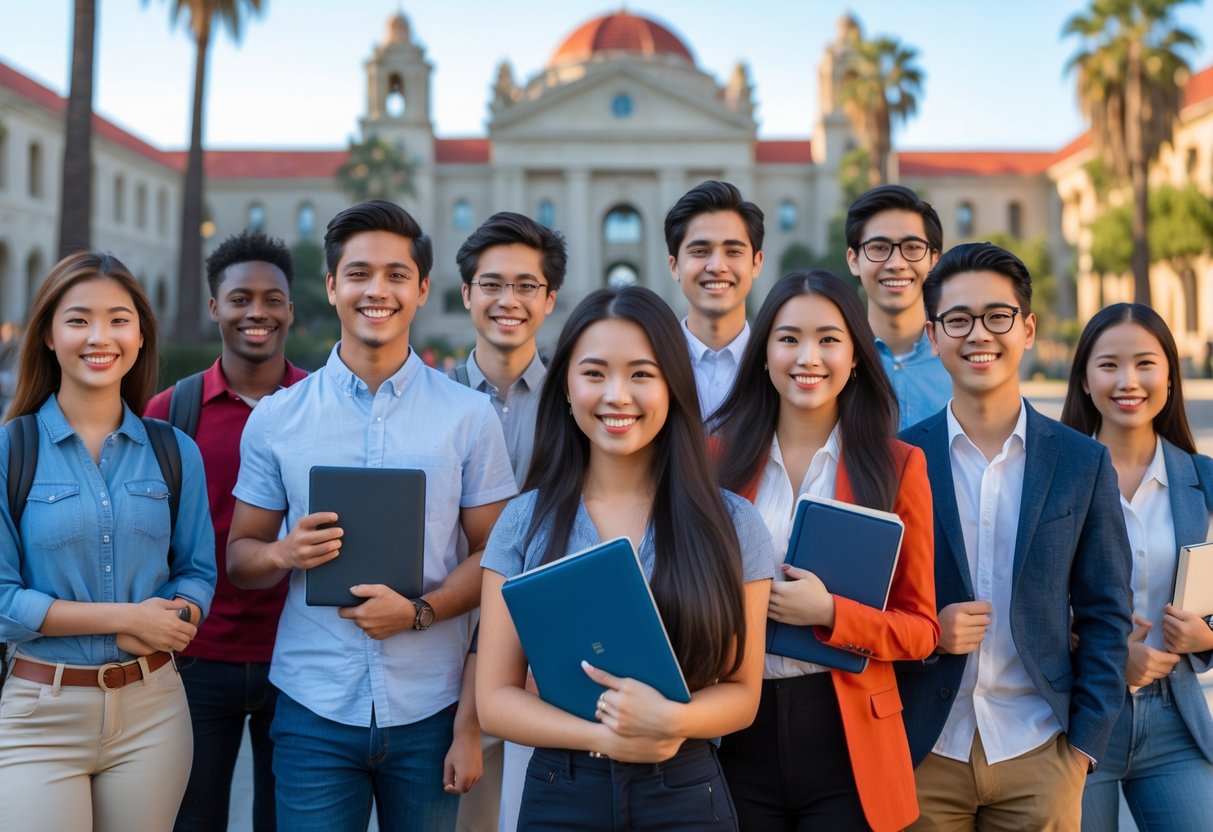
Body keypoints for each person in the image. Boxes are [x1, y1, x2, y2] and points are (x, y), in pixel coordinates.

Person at [226, 200, 517, 832]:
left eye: (394, 274)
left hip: (429, 709)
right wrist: (282, 554)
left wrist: (420, 612)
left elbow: (496, 562)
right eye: (358, 273)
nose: (376, 290)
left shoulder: (467, 417)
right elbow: (242, 558)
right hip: (312, 709)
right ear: (332, 287)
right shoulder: (277, 418)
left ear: (420, 289)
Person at [476, 285, 774, 831]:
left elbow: (742, 693)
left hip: (685, 790)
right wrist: (603, 735)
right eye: (594, 373)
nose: (617, 395)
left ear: (673, 387)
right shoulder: (524, 522)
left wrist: (671, 720)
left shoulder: (732, 523)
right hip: (561, 791)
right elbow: (494, 698)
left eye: (641, 374)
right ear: (565, 387)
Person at [896, 242, 1132, 831]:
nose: (979, 334)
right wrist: (929, 635)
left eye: (998, 316)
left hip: (1040, 749)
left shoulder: (1083, 462)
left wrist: (1082, 750)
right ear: (933, 336)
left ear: (1026, 329)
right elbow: (872, 604)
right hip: (923, 749)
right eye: (958, 319)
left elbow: (1107, 612)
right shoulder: (895, 458)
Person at [711, 270, 940, 831]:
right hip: (731, 732)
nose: (807, 356)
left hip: (846, 737)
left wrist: (831, 615)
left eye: (829, 339)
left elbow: (922, 629)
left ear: (857, 356)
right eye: (788, 338)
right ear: (763, 353)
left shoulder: (897, 467)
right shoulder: (711, 458)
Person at [0, 251, 216, 831]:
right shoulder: (10, 450)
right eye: (78, 319)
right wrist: (127, 618)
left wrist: (177, 614)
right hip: (40, 713)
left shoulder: (174, 451)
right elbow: (2, 602)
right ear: (48, 333)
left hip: (154, 712)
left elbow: (197, 571)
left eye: (119, 319)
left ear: (141, 334)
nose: (100, 336)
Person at [145, 230, 307, 832]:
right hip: (193, 661)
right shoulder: (169, 412)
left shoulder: (321, 405)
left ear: (290, 309)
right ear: (216, 307)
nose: (256, 312)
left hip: (297, 661)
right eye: (240, 298)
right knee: (190, 821)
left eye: (272, 299)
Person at [1060, 303, 1213, 831]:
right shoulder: (1054, 476)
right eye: (1108, 365)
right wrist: (1102, 649)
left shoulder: (1204, 480)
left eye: (1145, 363)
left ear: (1170, 373)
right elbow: (1021, 599)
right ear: (1083, 377)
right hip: (1078, 717)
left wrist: (1206, 636)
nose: (1128, 381)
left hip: (1175, 718)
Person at [449, 211, 566, 832]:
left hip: (550, 662)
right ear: (466, 293)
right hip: (442, 659)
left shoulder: (579, 409)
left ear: (549, 299)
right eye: (491, 284)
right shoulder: (428, 403)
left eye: (526, 286)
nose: (508, 300)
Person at [845, 184, 950, 431]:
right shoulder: (834, 360)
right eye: (879, 248)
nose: (896, 263)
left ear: (934, 260)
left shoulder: (960, 359)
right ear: (853, 260)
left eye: (912, 248)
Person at [664, 180, 765, 420]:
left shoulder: (779, 365)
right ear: (675, 266)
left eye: (733, 252)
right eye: (700, 251)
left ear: (756, 263)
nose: (717, 266)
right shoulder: (653, 364)